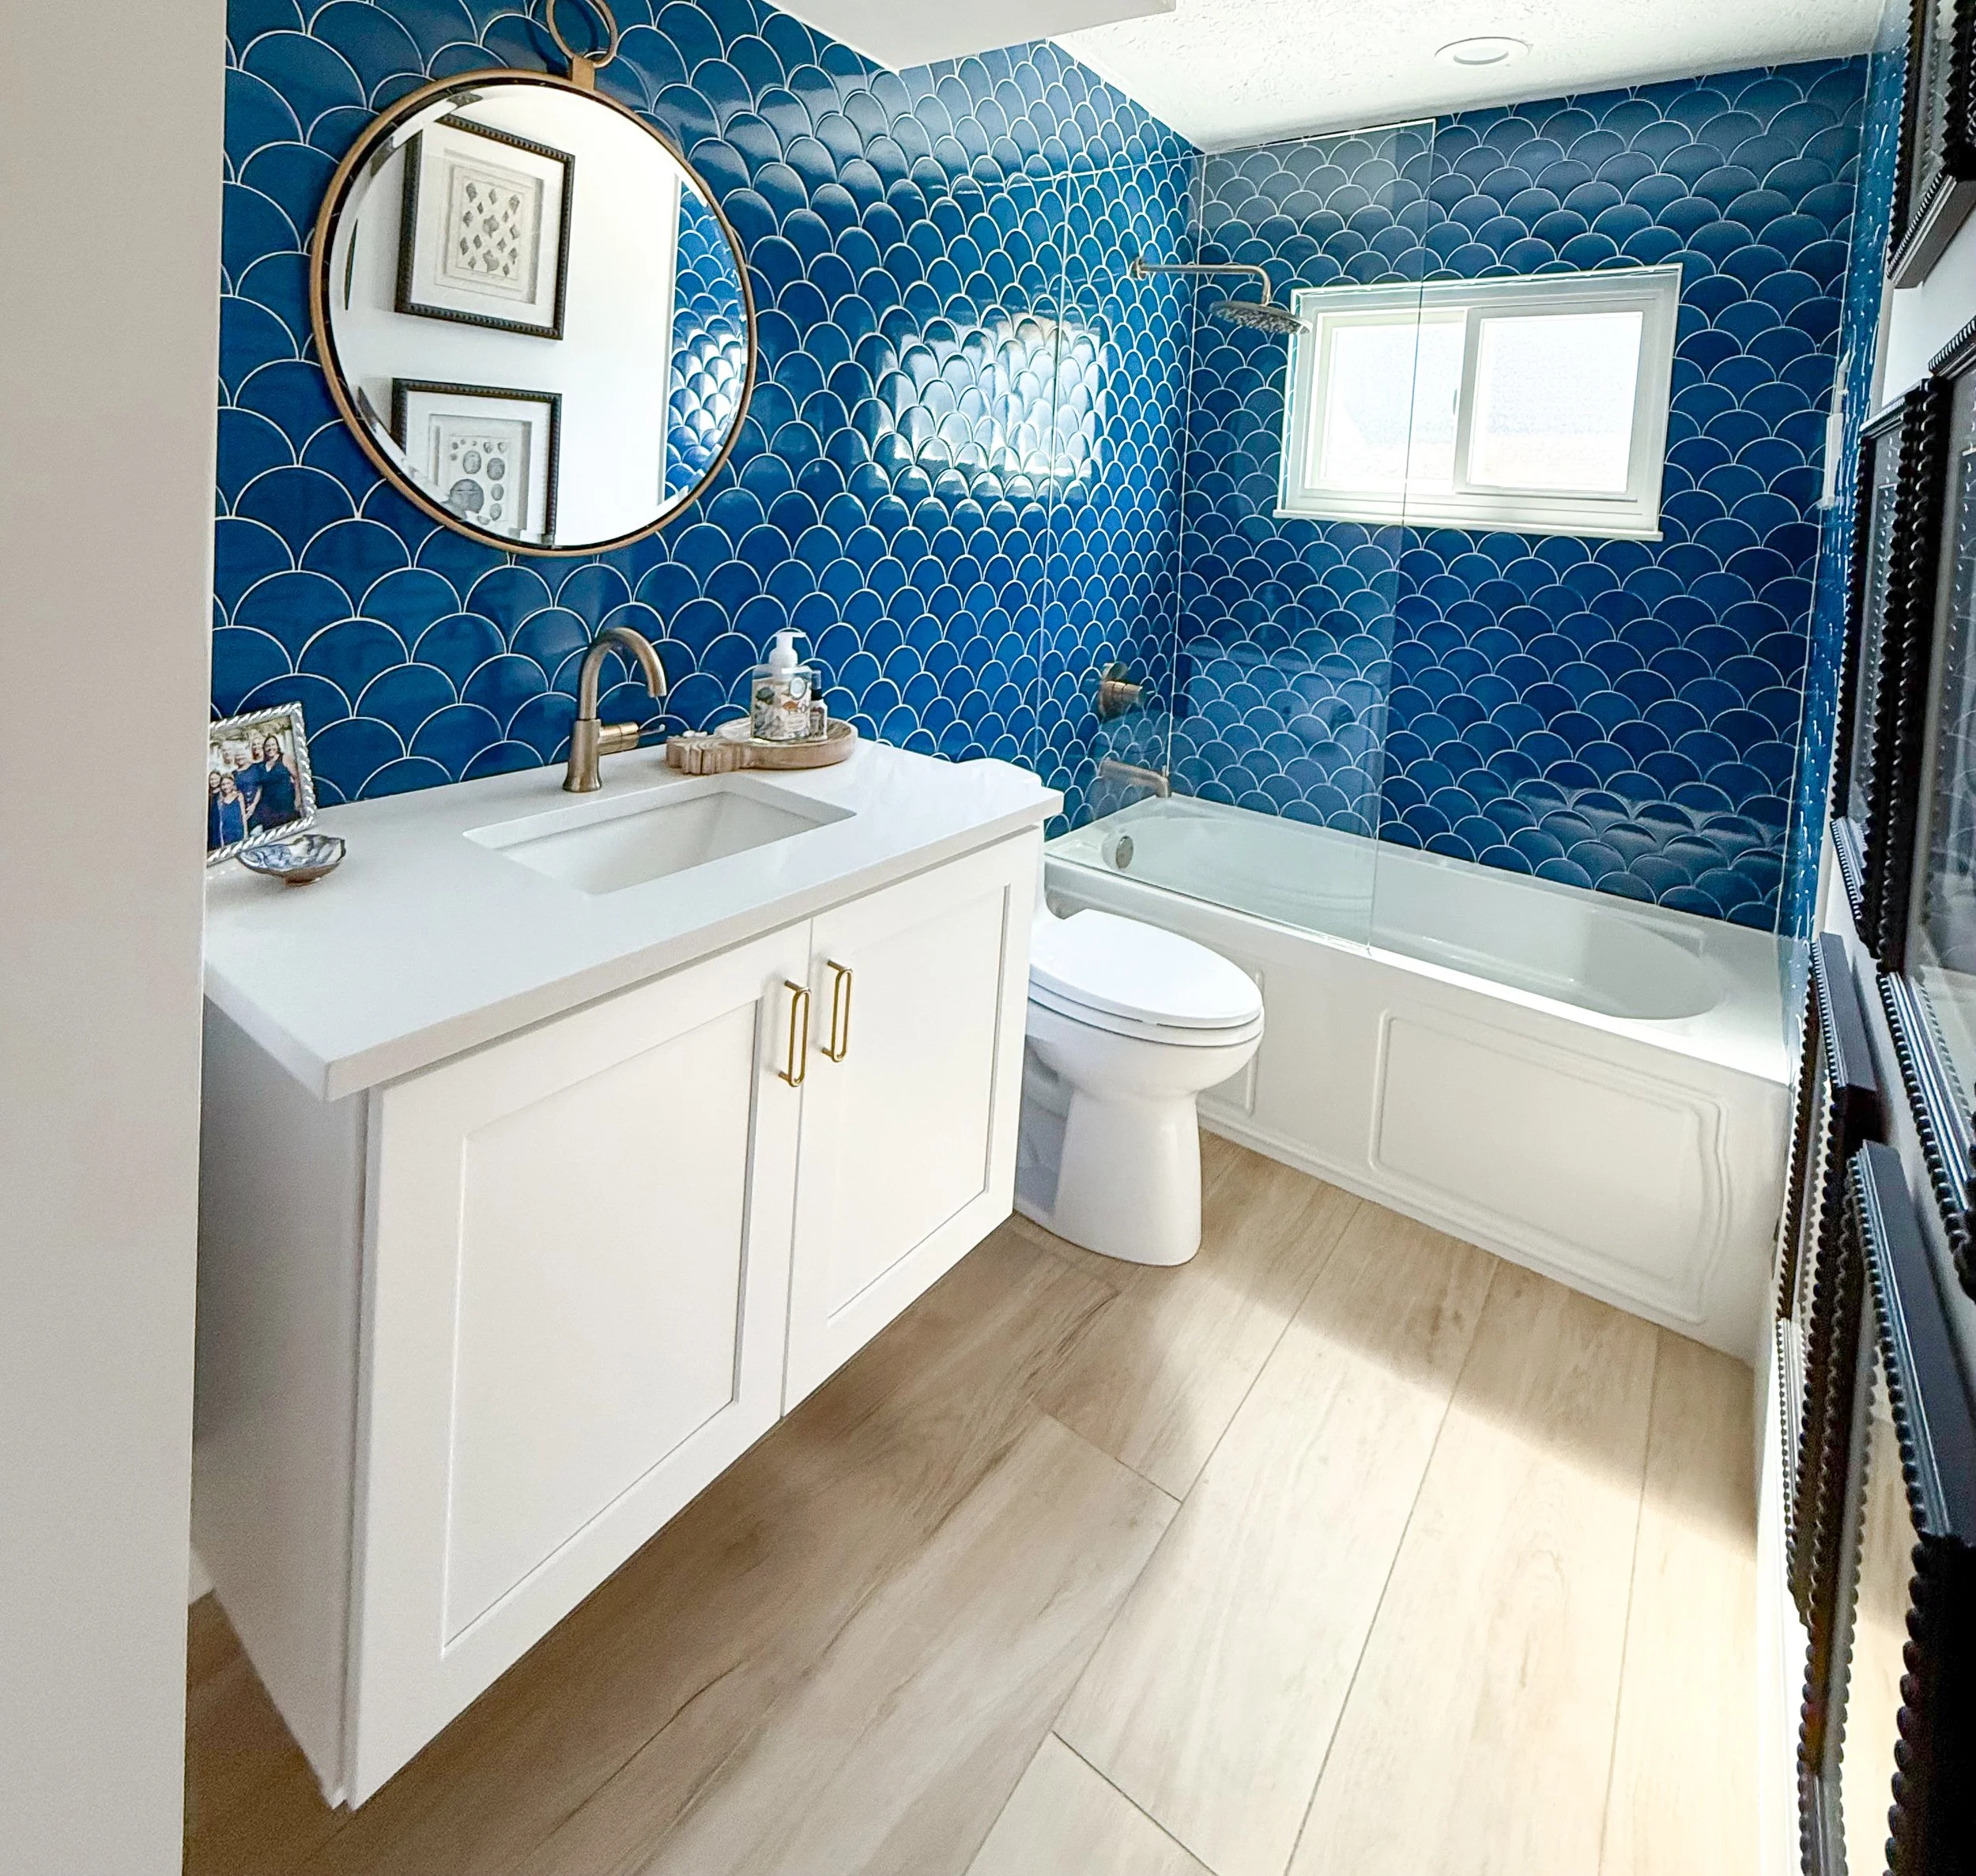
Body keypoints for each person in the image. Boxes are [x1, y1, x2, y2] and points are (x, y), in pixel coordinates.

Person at [251, 732, 297, 829]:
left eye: (273, 745)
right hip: (268, 808)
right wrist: (254, 805)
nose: (270, 748)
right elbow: (260, 787)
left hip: (286, 804)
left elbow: (297, 778)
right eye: (267, 746)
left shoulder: (285, 758)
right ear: (264, 748)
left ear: (277, 746)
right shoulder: (262, 765)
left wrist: (299, 799)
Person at [210, 768, 248, 850]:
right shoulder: (220, 800)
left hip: (238, 830)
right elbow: (221, 820)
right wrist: (221, 840)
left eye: (228, 783)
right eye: (223, 784)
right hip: (226, 832)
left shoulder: (239, 795)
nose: (226, 786)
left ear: (232, 783)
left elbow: (243, 815)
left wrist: (246, 833)